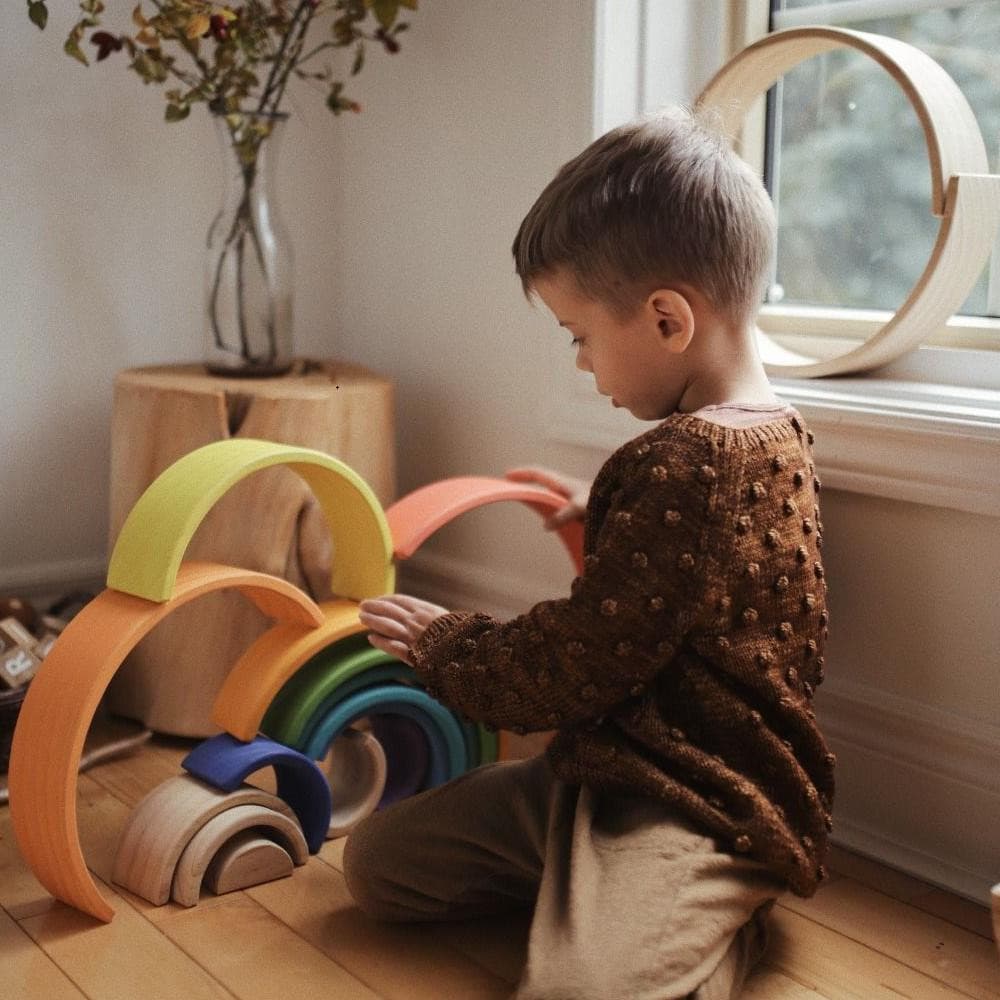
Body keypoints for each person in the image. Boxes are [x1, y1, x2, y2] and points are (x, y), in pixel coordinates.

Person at [347, 106, 834, 1000]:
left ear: (665, 320)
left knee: (578, 993)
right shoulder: (764, 431)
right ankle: (602, 899)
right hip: (604, 771)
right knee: (382, 866)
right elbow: (702, 569)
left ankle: (711, 910)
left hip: (702, 800)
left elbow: (579, 659)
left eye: (579, 335)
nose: (580, 363)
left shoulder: (687, 464)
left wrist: (446, 645)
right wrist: (598, 508)